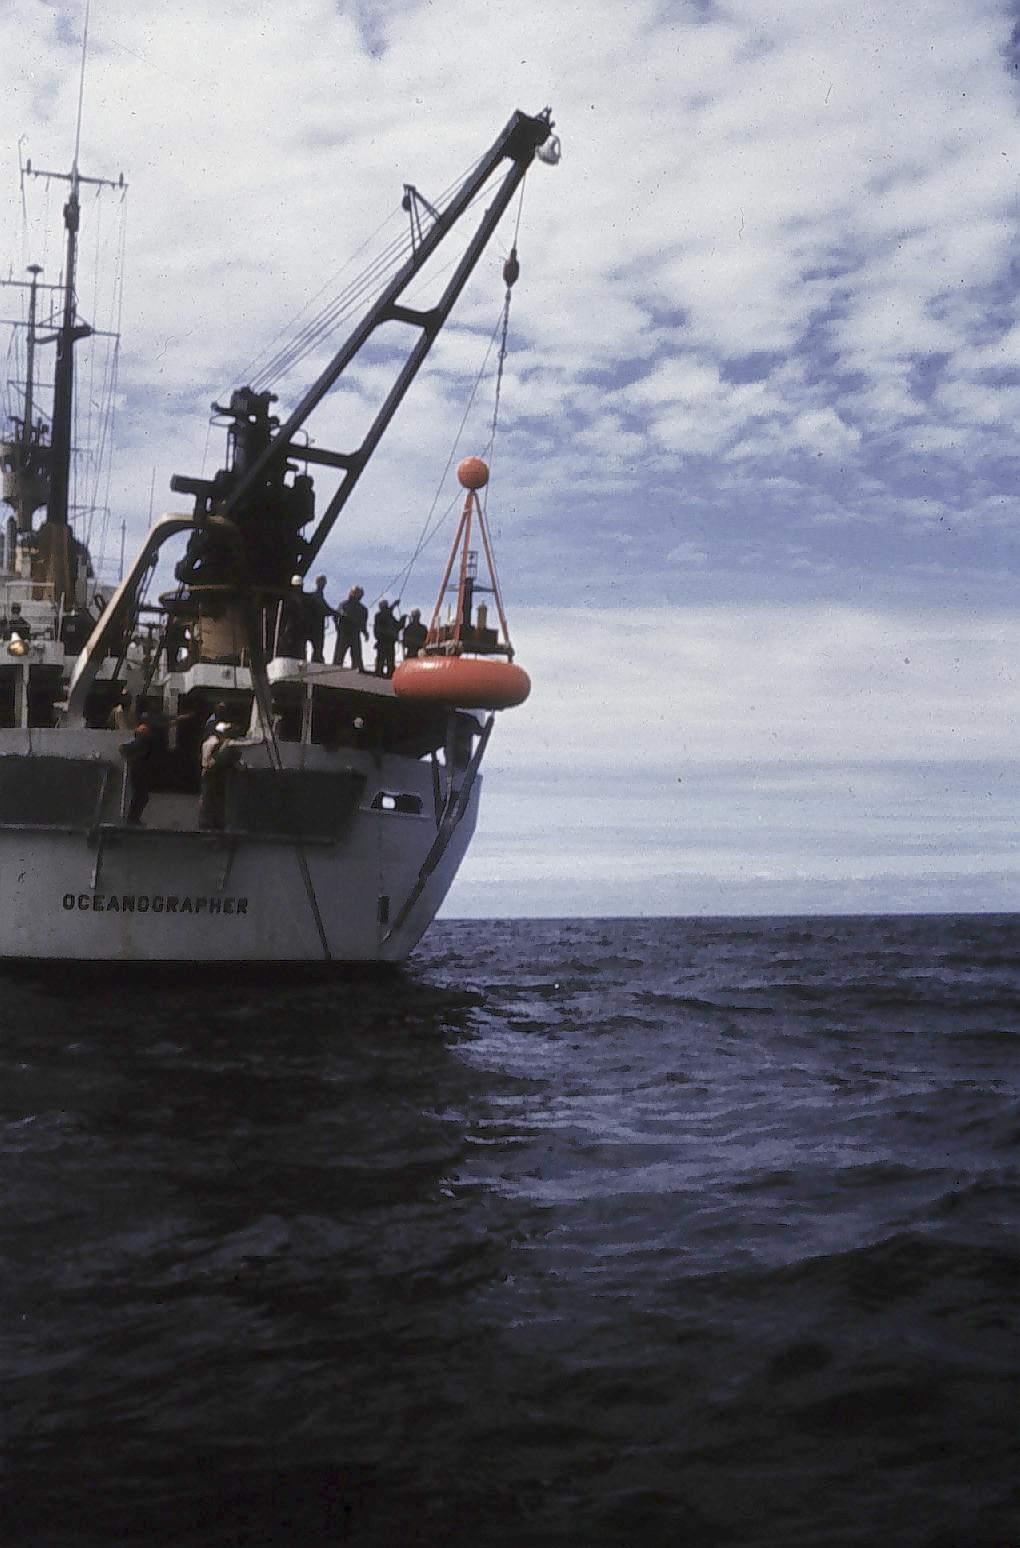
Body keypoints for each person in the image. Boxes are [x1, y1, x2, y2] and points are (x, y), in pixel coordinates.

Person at [199, 720, 247, 830]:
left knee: (210, 801)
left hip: (212, 775)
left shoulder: (214, 742)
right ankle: (211, 826)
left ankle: (209, 825)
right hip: (215, 776)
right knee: (213, 802)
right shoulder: (217, 744)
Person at [120, 715, 157, 824]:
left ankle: (133, 818)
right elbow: (125, 747)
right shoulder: (142, 737)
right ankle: (133, 818)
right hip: (138, 769)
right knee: (141, 795)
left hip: (139, 768)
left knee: (140, 795)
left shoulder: (143, 737)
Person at [333, 585, 368, 670]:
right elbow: (336, 616)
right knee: (339, 656)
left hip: (354, 634)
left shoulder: (363, 609)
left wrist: (365, 632)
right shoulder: (344, 604)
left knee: (357, 657)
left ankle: (359, 673)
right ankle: (333, 672)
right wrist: (337, 627)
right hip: (344, 633)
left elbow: (363, 623)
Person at [278, 575, 310, 659]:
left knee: (298, 650)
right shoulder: (289, 599)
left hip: (298, 630)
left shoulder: (304, 599)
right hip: (291, 629)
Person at [305, 575, 334, 664]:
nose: (323, 584)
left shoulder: (318, 595)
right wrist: (336, 613)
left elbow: (325, 608)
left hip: (315, 625)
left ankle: (316, 661)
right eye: (322, 582)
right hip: (315, 626)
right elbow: (324, 608)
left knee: (318, 647)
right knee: (317, 646)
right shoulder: (316, 596)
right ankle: (316, 662)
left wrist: (335, 613)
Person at [373, 598, 403, 677]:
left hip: (390, 642)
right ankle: (379, 674)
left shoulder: (390, 617)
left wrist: (403, 619)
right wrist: (394, 605)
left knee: (390, 661)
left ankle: (390, 674)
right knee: (381, 661)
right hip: (382, 642)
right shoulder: (379, 615)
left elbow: (398, 627)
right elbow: (385, 613)